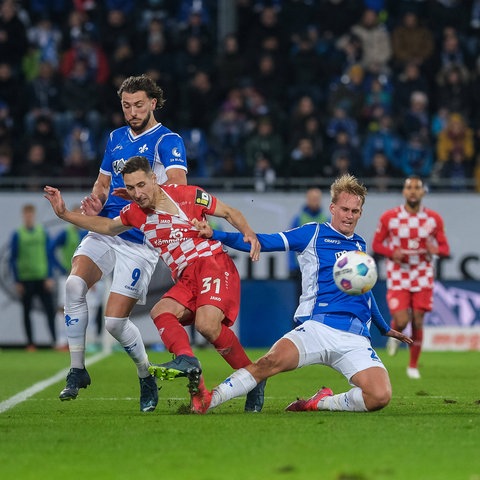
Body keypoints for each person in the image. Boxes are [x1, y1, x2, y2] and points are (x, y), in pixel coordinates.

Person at [44, 155, 266, 413]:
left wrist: (249, 233)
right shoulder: (135, 213)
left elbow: (229, 212)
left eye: (141, 185)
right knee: (160, 312)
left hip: (211, 264)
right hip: (185, 276)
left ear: (153, 179)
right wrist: (63, 213)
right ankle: (188, 362)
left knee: (206, 325)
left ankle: (254, 376)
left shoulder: (188, 195)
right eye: (130, 188)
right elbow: (106, 226)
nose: (136, 194)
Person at [189, 174, 412, 414]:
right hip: (317, 328)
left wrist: (382, 327)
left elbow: (364, 291)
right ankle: (210, 399)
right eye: (345, 209)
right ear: (333, 208)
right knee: (268, 362)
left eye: (355, 211)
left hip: (354, 337)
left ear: (360, 213)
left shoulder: (359, 245)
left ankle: (319, 402)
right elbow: (263, 241)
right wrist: (216, 235)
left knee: (380, 396)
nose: (349, 216)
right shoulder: (312, 234)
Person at [56, 74, 188, 412]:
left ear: (153, 103)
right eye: (126, 106)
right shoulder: (115, 137)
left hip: (140, 240)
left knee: (114, 323)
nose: (132, 111)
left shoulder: (167, 140)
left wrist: (143, 198)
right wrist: (96, 200)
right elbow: (102, 183)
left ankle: (145, 375)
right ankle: (77, 369)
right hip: (106, 228)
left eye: (139, 105)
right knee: (73, 285)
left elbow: (177, 186)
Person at [372, 175, 450, 379]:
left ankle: (413, 365)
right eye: (409, 187)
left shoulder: (433, 218)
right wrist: (391, 253)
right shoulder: (390, 217)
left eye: (417, 187)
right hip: (398, 273)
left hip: (422, 273)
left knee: (417, 320)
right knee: (401, 318)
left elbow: (445, 248)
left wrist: (435, 249)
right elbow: (377, 245)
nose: (413, 191)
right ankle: (395, 336)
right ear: (404, 192)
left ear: (423, 192)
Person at [9, 204, 57, 351]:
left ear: (34, 215)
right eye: (26, 215)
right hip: (25, 279)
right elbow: (12, 258)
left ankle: (55, 341)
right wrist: (17, 280)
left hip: (42, 277)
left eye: (30, 215)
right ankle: (30, 343)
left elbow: (49, 255)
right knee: (27, 312)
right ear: (23, 216)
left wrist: (49, 276)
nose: (28, 217)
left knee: (50, 311)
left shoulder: (42, 232)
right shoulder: (18, 234)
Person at [288, 187, 328, 279]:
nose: (315, 201)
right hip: (301, 267)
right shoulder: (298, 220)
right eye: (312, 199)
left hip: (321, 267)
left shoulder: (326, 220)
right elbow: (290, 242)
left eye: (317, 199)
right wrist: (291, 265)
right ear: (307, 200)